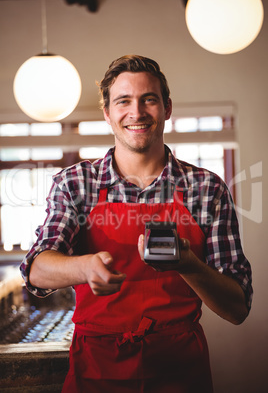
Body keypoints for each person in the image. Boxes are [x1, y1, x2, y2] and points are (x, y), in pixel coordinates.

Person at [20, 55, 252, 393]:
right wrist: (85, 267)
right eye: (123, 101)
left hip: (180, 374)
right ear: (107, 113)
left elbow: (237, 307)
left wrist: (187, 265)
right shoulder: (75, 184)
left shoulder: (207, 189)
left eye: (149, 99)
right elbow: (36, 270)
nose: (137, 112)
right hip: (95, 372)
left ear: (167, 107)